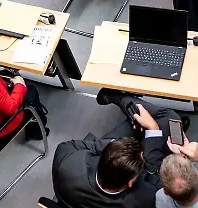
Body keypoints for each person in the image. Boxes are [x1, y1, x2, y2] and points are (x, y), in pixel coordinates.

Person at [53, 89, 181, 208]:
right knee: (169, 117)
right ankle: (118, 97)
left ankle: (114, 97)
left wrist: (113, 146)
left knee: (141, 124)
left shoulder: (68, 166)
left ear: (101, 158)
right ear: (130, 182)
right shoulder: (145, 199)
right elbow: (155, 177)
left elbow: (67, 146)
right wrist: (153, 129)